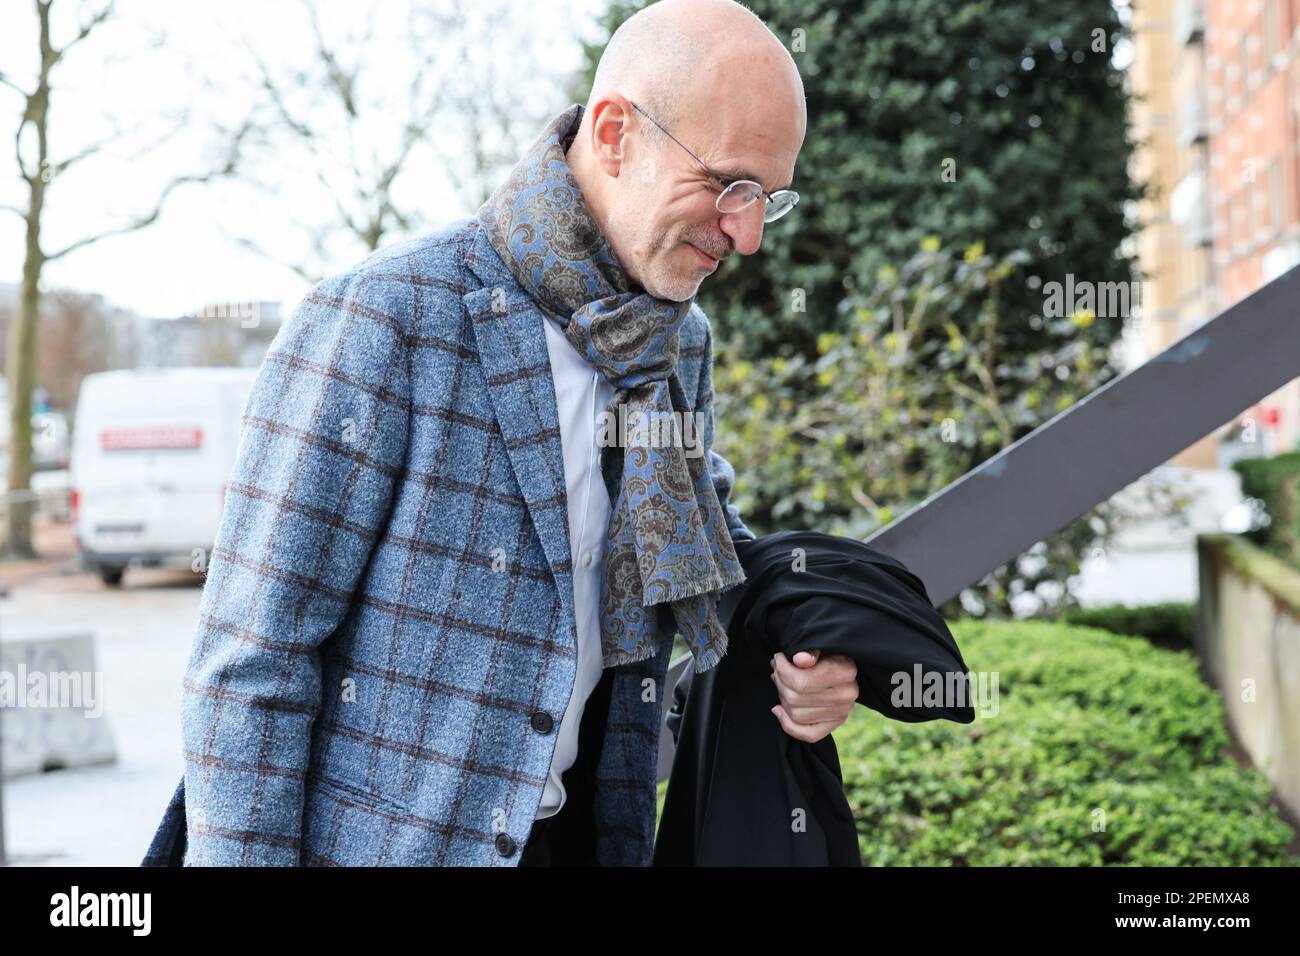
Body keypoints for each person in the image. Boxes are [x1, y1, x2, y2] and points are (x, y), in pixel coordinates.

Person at [142, 0, 858, 868]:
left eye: (768, 200)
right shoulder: (386, 319)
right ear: (614, 133)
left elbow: (700, 546)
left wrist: (800, 646)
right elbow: (251, 667)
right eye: (728, 184)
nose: (746, 236)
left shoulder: (678, 342)